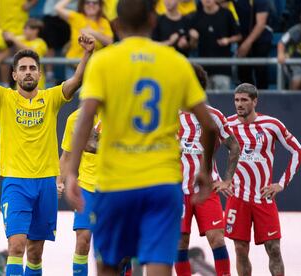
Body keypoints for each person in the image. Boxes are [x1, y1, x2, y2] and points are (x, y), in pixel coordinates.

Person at [64, 0, 218, 275]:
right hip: (161, 182)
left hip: (115, 182)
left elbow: (85, 118)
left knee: (109, 265)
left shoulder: (104, 61)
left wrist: (72, 172)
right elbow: (209, 125)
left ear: (116, 25)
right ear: (153, 21)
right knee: (158, 265)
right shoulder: (175, 61)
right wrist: (205, 170)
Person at [0, 24, 95, 276]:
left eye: (32, 68)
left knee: (35, 252)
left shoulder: (52, 98)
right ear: (14, 75)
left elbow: (77, 80)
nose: (28, 72)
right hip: (15, 182)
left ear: (39, 74)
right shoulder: (4, 98)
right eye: (23, 68)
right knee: (16, 246)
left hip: (46, 182)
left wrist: (87, 53)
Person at [225, 83, 301, 276]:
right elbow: (207, 149)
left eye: (244, 100)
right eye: (236, 100)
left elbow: (298, 151)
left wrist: (281, 183)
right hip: (238, 198)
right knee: (240, 250)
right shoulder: (228, 126)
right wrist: (220, 179)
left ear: (255, 101)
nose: (239, 104)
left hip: (263, 198)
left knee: (274, 249)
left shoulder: (271, 125)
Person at [175, 64, 240, 276]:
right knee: (180, 242)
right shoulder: (169, 116)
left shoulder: (214, 116)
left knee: (217, 238)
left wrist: (228, 179)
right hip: (177, 189)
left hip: (207, 188)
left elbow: (234, 146)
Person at [59, 109, 100, 276]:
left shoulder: (119, 112)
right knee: (83, 240)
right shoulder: (75, 119)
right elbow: (67, 155)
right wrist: (59, 181)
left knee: (119, 246)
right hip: (86, 186)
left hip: (114, 186)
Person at [188, 0, 242, 90]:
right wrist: (193, 39)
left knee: (222, 101)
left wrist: (228, 40)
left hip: (223, 68)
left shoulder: (226, 14)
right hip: (203, 69)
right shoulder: (196, 16)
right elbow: (192, 46)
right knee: (206, 103)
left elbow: (239, 36)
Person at [55, 0, 113, 77]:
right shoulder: (77, 17)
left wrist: (93, 32)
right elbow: (57, 8)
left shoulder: (104, 22)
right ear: (83, 5)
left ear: (100, 6)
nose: (91, 5)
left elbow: (110, 42)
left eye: (95, 3)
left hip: (92, 66)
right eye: (87, 2)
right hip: (73, 65)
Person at [234, 0, 273, 89]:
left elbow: (260, 24)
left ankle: (263, 100)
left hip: (261, 40)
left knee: (261, 73)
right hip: (242, 38)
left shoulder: (261, 2)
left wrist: (247, 44)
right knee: (243, 76)